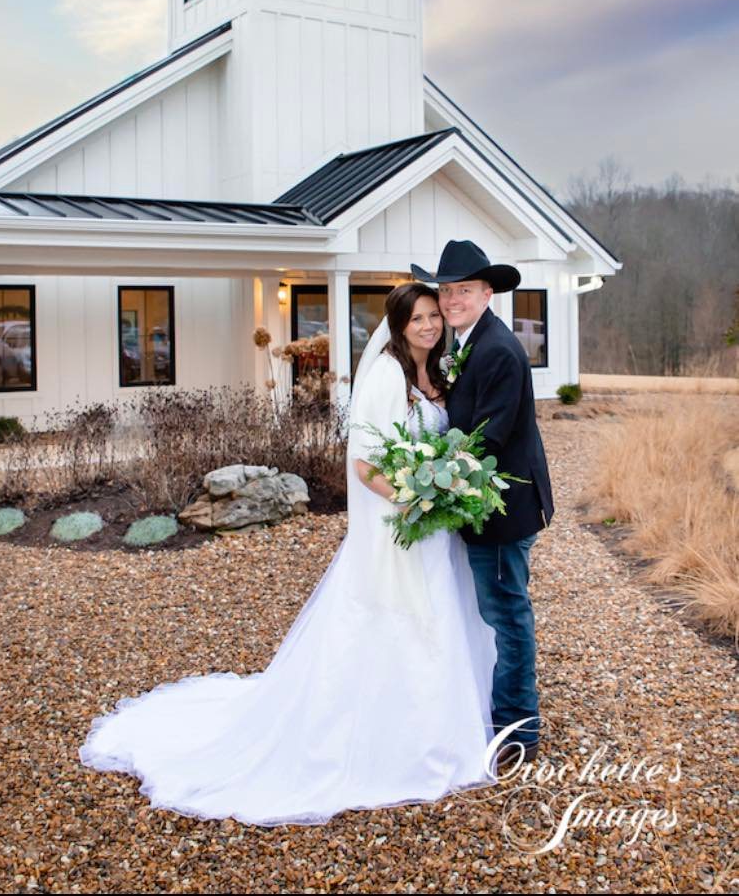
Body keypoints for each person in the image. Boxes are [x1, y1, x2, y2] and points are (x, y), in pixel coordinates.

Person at [78, 282, 499, 826]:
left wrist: (447, 488)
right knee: (398, 621)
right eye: (417, 318)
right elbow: (366, 468)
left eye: (432, 316)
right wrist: (418, 498)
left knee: (442, 618)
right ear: (396, 325)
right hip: (404, 527)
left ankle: (444, 732)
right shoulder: (387, 376)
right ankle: (385, 744)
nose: (428, 325)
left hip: (436, 532)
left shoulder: (439, 372)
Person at [412, 239, 556, 769]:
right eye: (447, 290)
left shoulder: (496, 349)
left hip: (502, 508)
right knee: (501, 611)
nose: (452, 300)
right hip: (495, 501)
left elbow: (484, 441)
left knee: (506, 614)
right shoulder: (468, 340)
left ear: (487, 292)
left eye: (463, 290)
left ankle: (518, 729)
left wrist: (426, 475)